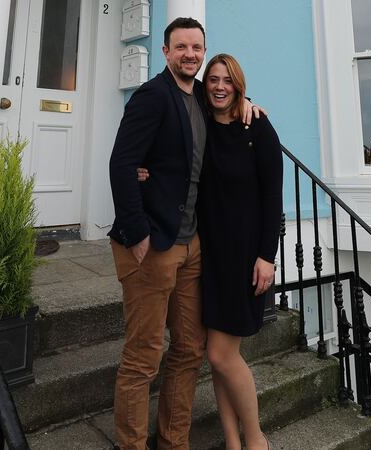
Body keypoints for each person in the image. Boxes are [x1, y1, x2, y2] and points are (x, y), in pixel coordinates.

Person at [108, 18, 260, 450]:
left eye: (197, 47)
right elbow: (122, 163)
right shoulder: (152, 96)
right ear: (165, 52)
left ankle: (174, 442)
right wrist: (137, 232)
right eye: (181, 48)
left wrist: (249, 102)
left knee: (191, 349)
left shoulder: (198, 102)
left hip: (192, 246)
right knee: (143, 358)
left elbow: (222, 114)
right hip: (151, 245)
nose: (190, 54)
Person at [197, 54, 282, 450]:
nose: (218, 87)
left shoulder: (257, 126)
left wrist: (268, 255)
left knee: (221, 354)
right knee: (216, 357)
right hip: (207, 254)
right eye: (212, 79)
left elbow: (273, 196)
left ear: (238, 84)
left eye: (227, 81)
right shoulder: (200, 120)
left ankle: (256, 440)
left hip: (244, 256)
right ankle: (232, 441)